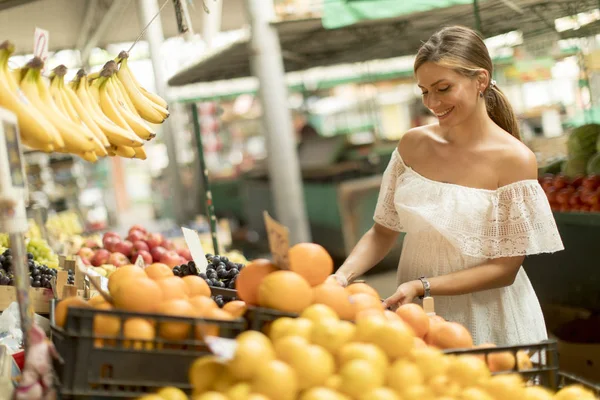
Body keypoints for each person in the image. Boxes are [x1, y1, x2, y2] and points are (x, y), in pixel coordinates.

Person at [328, 26, 564, 346]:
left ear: (480, 80)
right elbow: (382, 232)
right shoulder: (412, 145)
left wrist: (423, 285)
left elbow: (505, 269)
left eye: (442, 88)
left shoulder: (515, 160)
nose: (432, 102)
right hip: (417, 314)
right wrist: (342, 276)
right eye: (424, 91)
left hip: (489, 317)